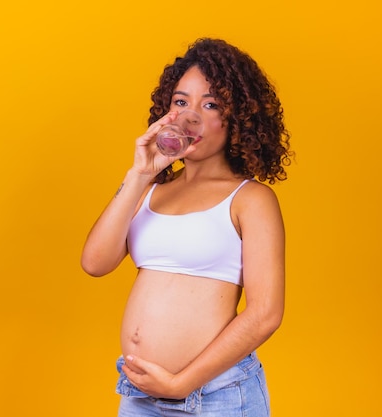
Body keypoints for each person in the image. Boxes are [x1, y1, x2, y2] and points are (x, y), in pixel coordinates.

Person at [81, 38, 292, 416]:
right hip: (139, 395)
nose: (189, 116)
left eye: (209, 104)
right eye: (181, 102)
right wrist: (139, 174)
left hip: (216, 396)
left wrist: (181, 384)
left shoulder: (249, 199)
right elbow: (95, 263)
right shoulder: (150, 190)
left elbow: (265, 314)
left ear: (238, 118)